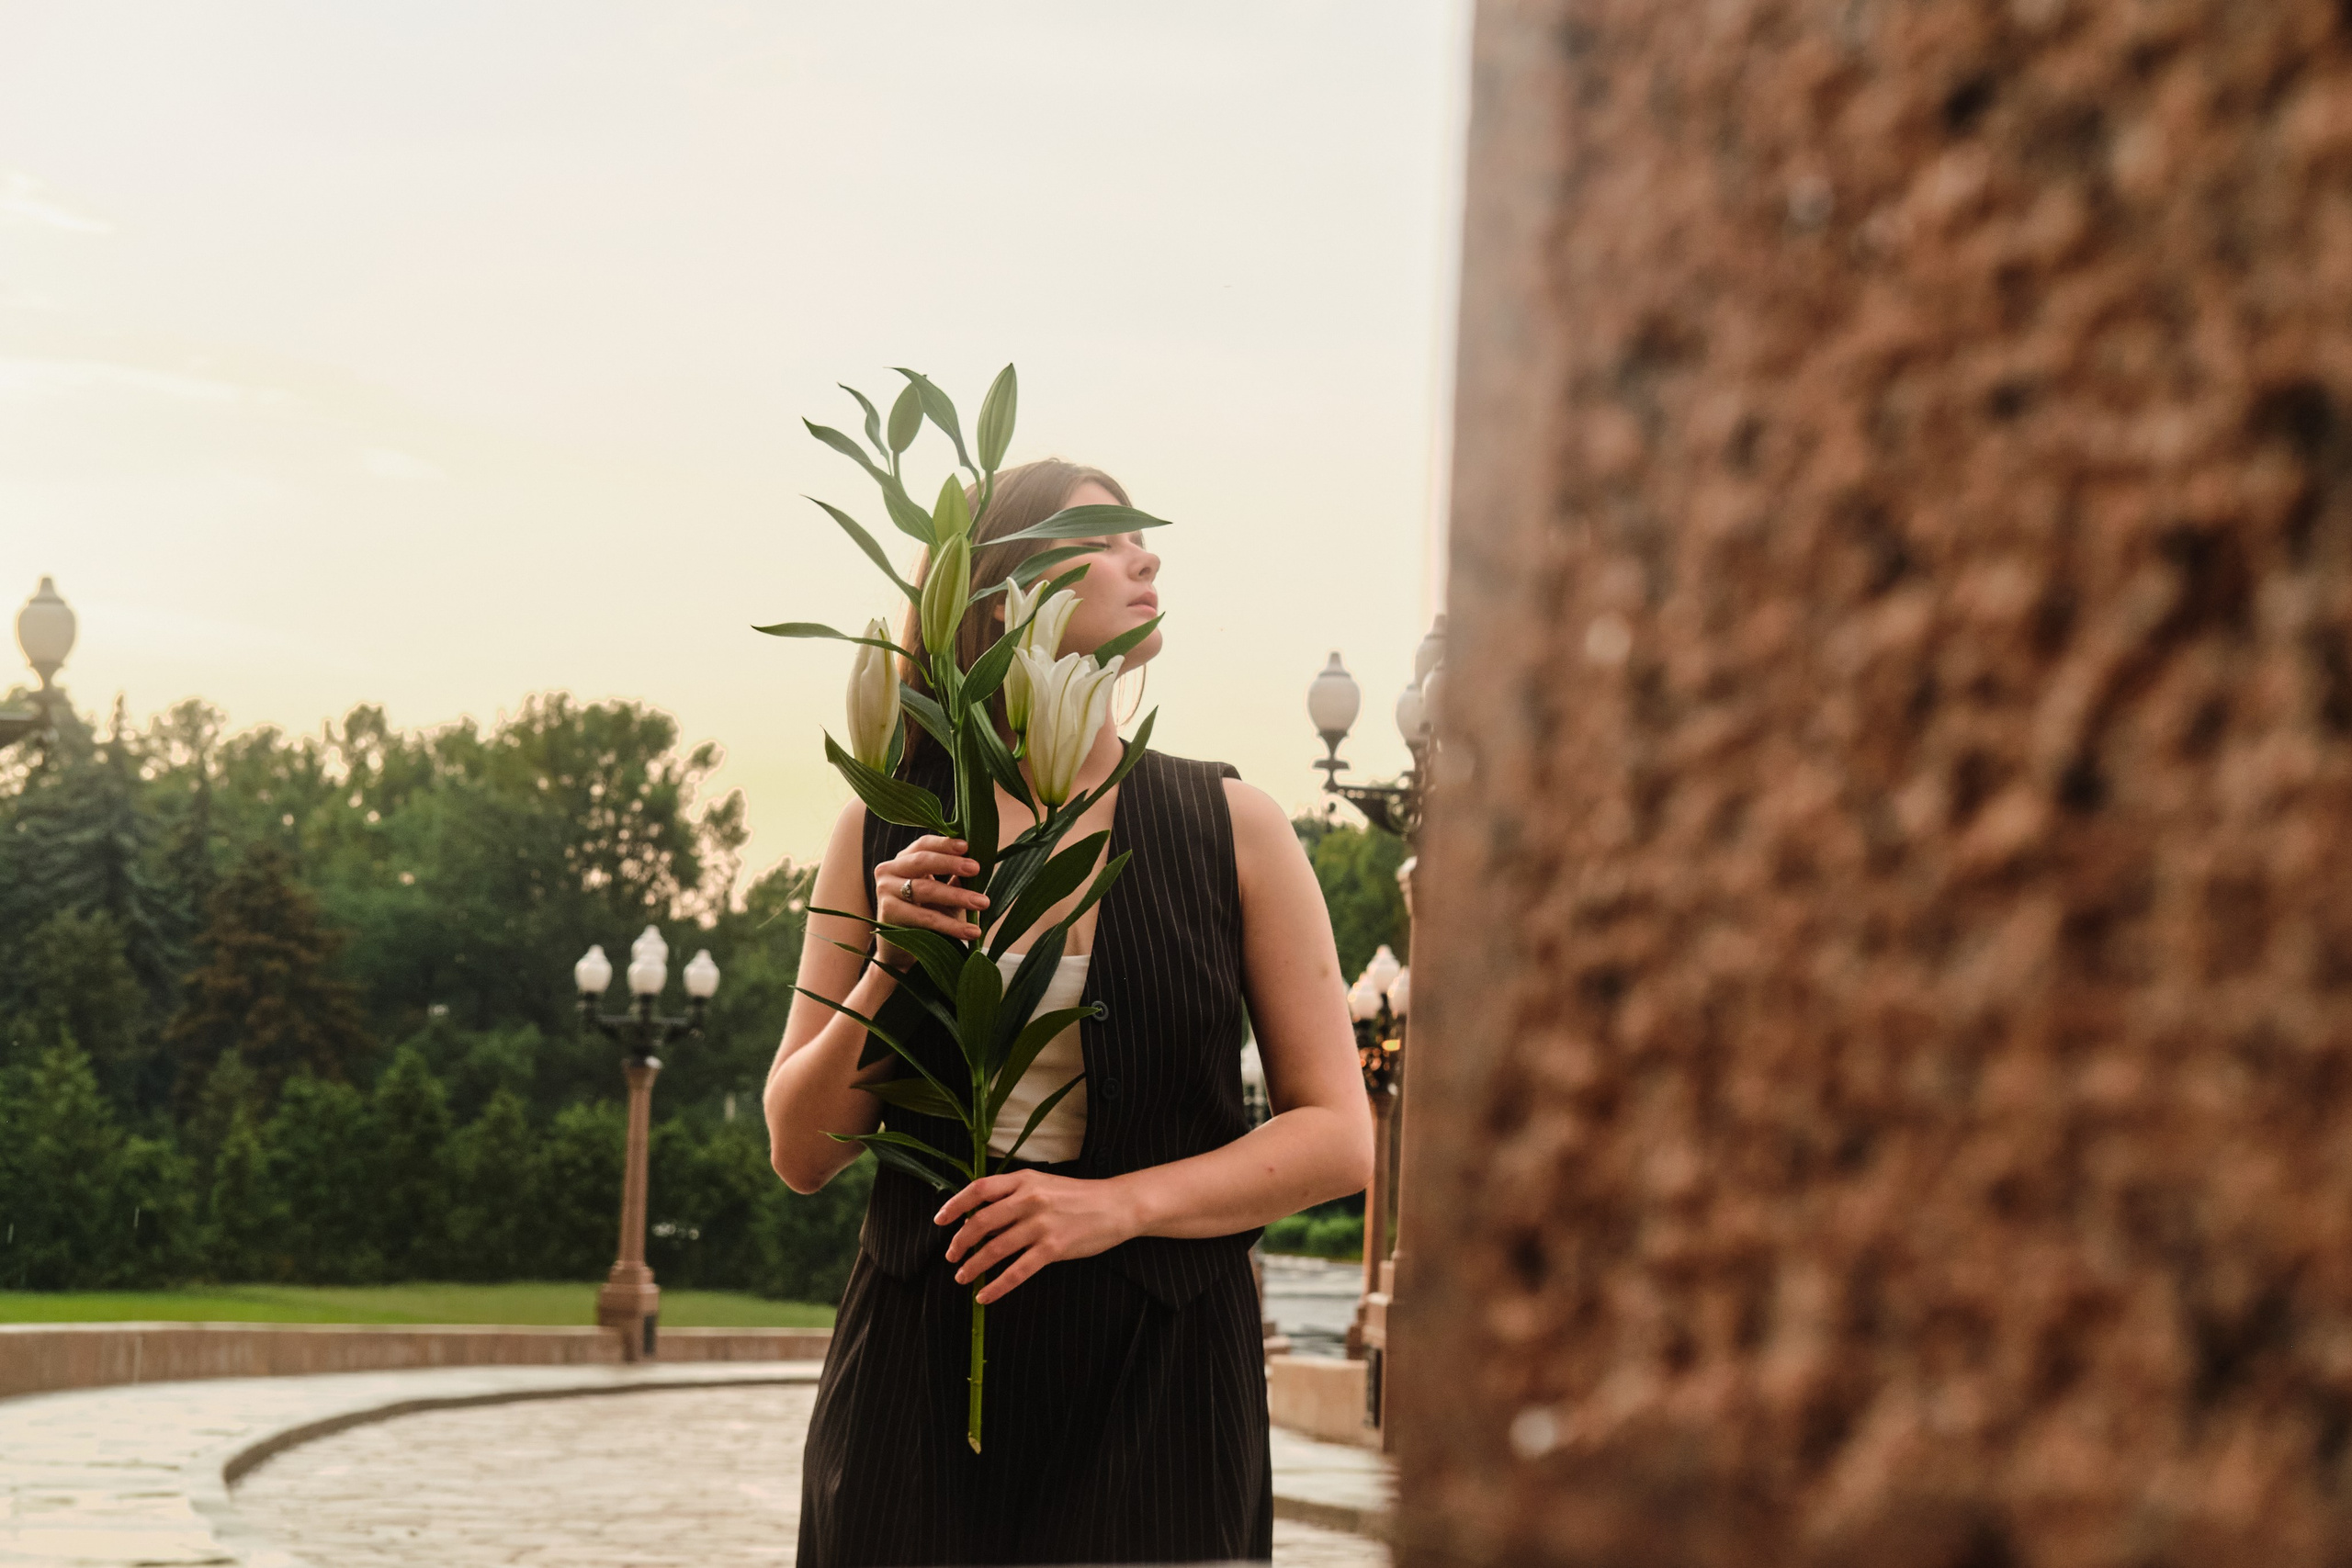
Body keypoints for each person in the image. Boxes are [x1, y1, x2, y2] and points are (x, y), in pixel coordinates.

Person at [765, 458, 1374, 1566]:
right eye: (1104, 532)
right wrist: (889, 968)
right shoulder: (883, 833)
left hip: (1163, 1380)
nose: (1146, 553)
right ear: (1004, 593)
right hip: (916, 1381)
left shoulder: (1232, 826)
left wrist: (1115, 1208)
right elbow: (800, 1149)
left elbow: (1338, 1135)